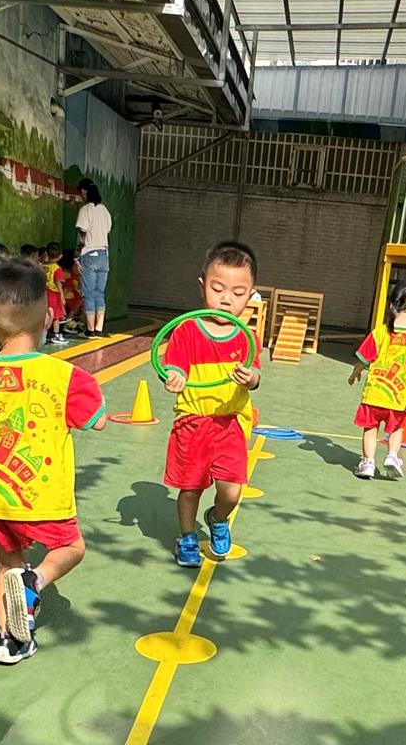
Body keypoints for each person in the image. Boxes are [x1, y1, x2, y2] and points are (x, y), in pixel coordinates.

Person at [0, 258, 106, 664]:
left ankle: (9, 642)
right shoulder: (65, 376)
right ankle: (37, 580)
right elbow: (97, 420)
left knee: (6, 567)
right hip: (43, 496)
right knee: (71, 547)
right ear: (48, 316)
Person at [161, 241, 261, 568]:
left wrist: (251, 378)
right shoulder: (187, 330)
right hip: (192, 421)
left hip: (230, 423)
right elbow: (175, 366)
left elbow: (256, 374)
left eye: (238, 292)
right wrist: (175, 376)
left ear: (250, 295)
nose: (226, 298)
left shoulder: (246, 337)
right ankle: (188, 536)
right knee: (190, 488)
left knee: (231, 491)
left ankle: (218, 518)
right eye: (217, 289)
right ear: (202, 285)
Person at [348, 281, 406, 480]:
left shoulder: (380, 332)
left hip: (374, 393)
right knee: (397, 428)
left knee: (370, 428)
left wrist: (355, 373)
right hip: (398, 396)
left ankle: (368, 462)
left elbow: (363, 360)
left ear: (392, 304)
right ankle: (392, 455)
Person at [74, 179, 112, 337]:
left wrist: (76, 258)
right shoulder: (105, 210)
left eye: (80, 192)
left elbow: (82, 235)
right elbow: (108, 233)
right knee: (99, 293)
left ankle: (90, 330)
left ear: (84, 191)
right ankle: (99, 328)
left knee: (89, 293)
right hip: (104, 255)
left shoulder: (86, 210)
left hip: (89, 254)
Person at [42, 241, 68, 345]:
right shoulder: (57, 269)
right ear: (60, 256)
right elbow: (58, 284)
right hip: (54, 295)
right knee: (56, 316)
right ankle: (56, 334)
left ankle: (43, 334)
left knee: (46, 314)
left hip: (45, 293)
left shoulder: (43, 266)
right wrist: (62, 296)